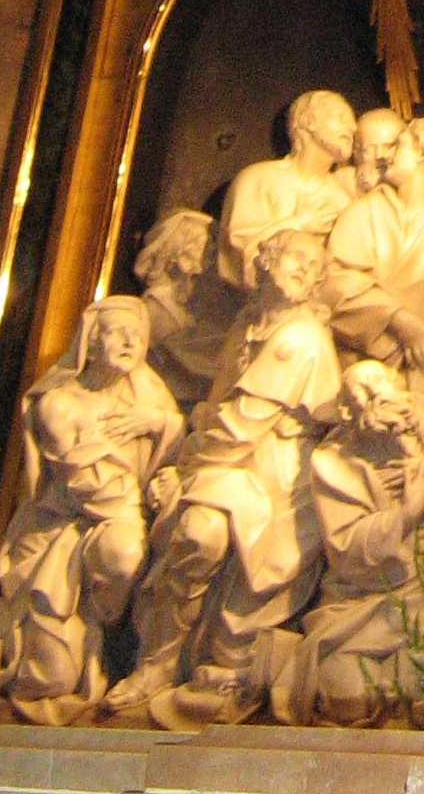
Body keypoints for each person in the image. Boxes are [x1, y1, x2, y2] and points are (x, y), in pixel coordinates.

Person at [109, 229, 342, 723]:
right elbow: (220, 406)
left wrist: (182, 466)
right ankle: (157, 663)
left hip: (273, 476)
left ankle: (197, 665)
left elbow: (240, 426)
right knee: (198, 535)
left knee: (202, 534)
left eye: (314, 268)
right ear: (266, 263)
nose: (305, 270)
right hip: (231, 463)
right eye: (296, 258)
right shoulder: (250, 322)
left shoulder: (298, 338)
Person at [0, 298, 183, 720]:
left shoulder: (149, 394)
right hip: (58, 533)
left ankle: (111, 639)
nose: (130, 341)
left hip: (119, 523)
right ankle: (85, 641)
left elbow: (175, 458)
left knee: (126, 553)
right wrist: (139, 502)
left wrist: (158, 426)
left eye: (138, 335)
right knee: (50, 678)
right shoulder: (59, 404)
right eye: (118, 332)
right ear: (91, 343)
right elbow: (85, 485)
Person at [268, 360, 424, 723]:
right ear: (345, 410)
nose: (378, 389)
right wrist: (406, 515)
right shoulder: (331, 461)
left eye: (384, 378)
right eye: (364, 387)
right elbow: (347, 550)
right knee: (347, 695)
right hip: (358, 605)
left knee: (422, 691)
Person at [323, 116, 424, 415]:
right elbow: (334, 283)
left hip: (416, 383)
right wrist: (399, 320)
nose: (387, 155)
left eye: (399, 145)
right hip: (350, 369)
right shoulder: (364, 212)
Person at [217, 89, 357, 291]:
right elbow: (233, 261)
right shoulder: (258, 180)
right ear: (308, 121)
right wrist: (297, 224)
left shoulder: (343, 203)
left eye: (352, 122)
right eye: (339, 117)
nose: (352, 127)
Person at [132, 209, 235, 409]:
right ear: (178, 254)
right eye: (203, 250)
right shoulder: (157, 305)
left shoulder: (188, 300)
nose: (209, 260)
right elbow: (179, 361)